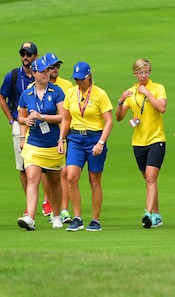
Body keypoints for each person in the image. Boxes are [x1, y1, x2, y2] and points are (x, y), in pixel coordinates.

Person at [15, 56, 68, 230]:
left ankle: (57, 214)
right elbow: (20, 116)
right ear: (34, 73)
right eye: (42, 71)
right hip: (34, 143)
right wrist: (25, 122)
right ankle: (30, 217)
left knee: (54, 182)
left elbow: (64, 117)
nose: (47, 74)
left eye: (48, 70)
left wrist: (42, 117)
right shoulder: (27, 94)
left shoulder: (56, 92)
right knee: (32, 178)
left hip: (53, 143)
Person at [60, 62, 113, 232]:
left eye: (81, 79)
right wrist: (61, 139)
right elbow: (66, 119)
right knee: (70, 176)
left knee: (94, 180)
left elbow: (109, 122)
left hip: (95, 138)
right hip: (75, 138)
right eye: (76, 79)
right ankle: (77, 217)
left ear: (89, 77)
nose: (78, 82)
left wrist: (101, 142)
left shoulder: (100, 94)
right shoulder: (71, 93)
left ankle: (95, 220)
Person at [116, 58, 168, 228]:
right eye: (140, 72)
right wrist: (120, 101)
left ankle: (147, 214)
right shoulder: (131, 92)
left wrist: (147, 93)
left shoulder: (157, 88)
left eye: (147, 72)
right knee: (148, 179)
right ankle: (157, 215)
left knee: (151, 178)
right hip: (138, 142)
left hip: (156, 139)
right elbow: (119, 117)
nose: (144, 75)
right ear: (135, 73)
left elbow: (162, 108)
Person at [0, 42, 39, 206]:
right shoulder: (13, 75)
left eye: (29, 54)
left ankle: (46, 202)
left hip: (40, 124)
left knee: (44, 165)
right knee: (23, 166)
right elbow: (2, 97)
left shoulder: (41, 74)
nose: (25, 58)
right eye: (23, 54)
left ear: (35, 56)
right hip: (19, 124)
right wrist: (10, 119)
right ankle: (30, 202)